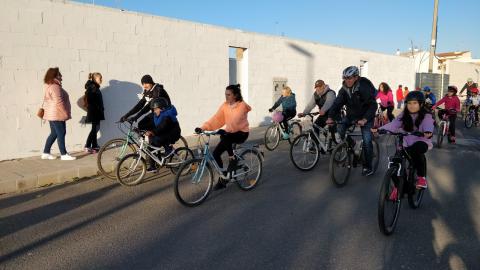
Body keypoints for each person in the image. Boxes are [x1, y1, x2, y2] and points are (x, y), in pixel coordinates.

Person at [372, 91, 434, 194]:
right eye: (409, 103)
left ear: (421, 104)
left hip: (421, 141)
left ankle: (421, 177)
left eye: (415, 103)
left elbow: (428, 124)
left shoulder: (426, 116)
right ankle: (400, 188)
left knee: (417, 151)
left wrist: (428, 132)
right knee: (395, 163)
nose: (411, 106)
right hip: (405, 142)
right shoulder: (403, 115)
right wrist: (379, 130)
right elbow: (393, 125)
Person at [195, 84, 251, 190]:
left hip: (241, 133)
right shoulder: (225, 105)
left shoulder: (242, 105)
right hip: (229, 134)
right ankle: (223, 177)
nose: (226, 97)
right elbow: (217, 119)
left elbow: (236, 120)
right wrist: (203, 128)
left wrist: (224, 131)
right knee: (216, 154)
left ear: (235, 95)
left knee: (225, 136)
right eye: (225, 94)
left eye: (229, 95)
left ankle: (232, 158)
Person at [326, 66, 378, 176]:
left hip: (366, 116)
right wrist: (330, 117)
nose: (347, 80)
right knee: (340, 128)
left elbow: (373, 105)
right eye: (345, 78)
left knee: (367, 141)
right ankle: (351, 143)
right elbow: (337, 103)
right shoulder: (344, 89)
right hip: (351, 115)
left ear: (356, 77)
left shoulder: (363, 87)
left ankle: (368, 167)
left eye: (349, 78)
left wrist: (365, 119)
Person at [41, 67, 76, 161]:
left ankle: (46, 152)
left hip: (52, 114)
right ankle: (64, 154)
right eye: (59, 75)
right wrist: (65, 114)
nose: (61, 76)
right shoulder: (55, 87)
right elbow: (58, 102)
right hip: (57, 114)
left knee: (54, 133)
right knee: (61, 133)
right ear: (55, 76)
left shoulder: (50, 85)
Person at [144, 98, 181, 172]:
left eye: (155, 109)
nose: (154, 111)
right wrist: (143, 128)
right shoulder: (157, 114)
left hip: (173, 134)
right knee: (151, 146)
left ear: (162, 109)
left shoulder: (167, 116)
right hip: (164, 133)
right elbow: (150, 123)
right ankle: (153, 167)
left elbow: (162, 126)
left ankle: (169, 150)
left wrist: (152, 132)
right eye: (153, 109)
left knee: (158, 139)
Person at [84, 72, 105, 153]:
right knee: (94, 129)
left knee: (95, 128)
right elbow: (90, 100)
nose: (101, 80)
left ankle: (94, 145)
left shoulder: (95, 87)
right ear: (95, 79)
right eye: (100, 78)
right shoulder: (92, 87)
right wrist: (97, 108)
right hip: (94, 112)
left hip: (96, 111)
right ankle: (87, 146)